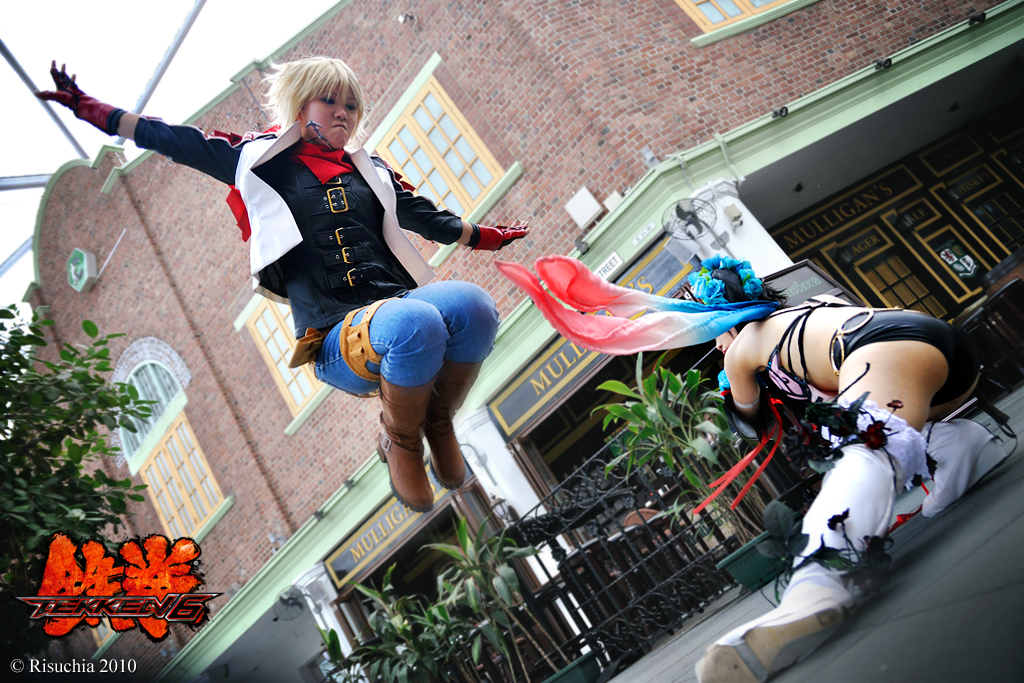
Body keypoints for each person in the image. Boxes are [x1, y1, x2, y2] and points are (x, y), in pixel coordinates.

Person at [38, 58, 529, 514]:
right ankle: (400, 441)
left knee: (475, 306)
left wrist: (489, 236)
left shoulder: (371, 172)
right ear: (300, 106)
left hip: (396, 302)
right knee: (416, 321)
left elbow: (427, 217)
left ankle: (438, 422)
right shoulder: (259, 161)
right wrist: (89, 108)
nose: (342, 113)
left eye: (351, 105)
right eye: (329, 101)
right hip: (336, 337)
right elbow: (172, 139)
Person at [495, 254, 1003, 682]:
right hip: (945, 363)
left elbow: (750, 421)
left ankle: (816, 587)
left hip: (887, 353)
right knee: (872, 425)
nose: (715, 345)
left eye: (711, 334)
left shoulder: (743, 347)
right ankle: (962, 445)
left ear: (721, 321)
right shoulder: (810, 308)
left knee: (865, 448)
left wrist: (735, 375)